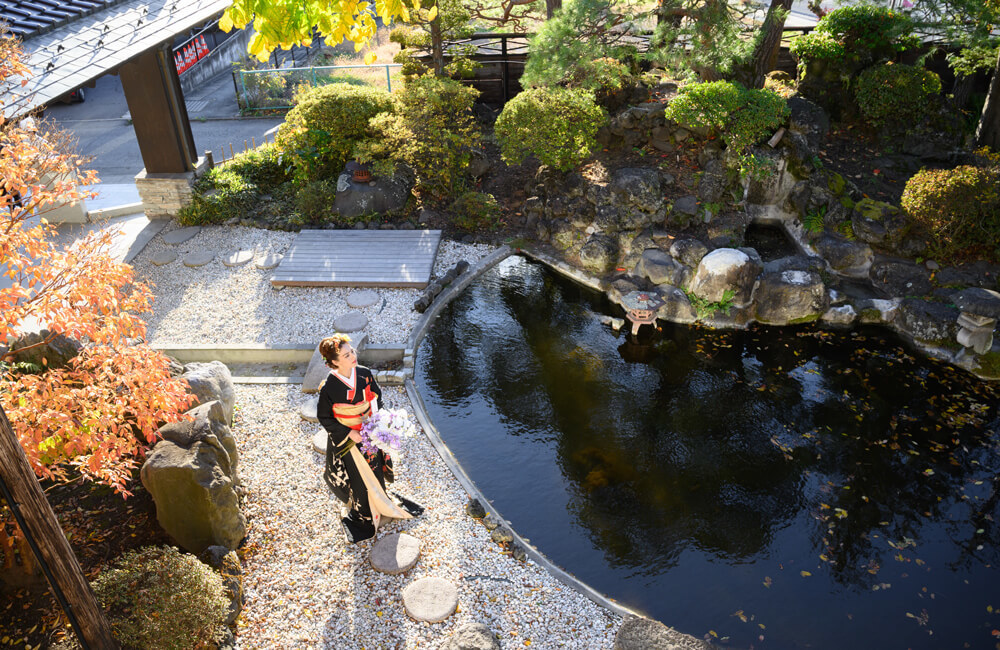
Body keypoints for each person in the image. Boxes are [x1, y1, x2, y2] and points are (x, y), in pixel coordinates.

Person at [316, 334, 422, 543]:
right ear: (335, 362)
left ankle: (382, 501)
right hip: (348, 438)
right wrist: (348, 433)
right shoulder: (329, 387)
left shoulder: (363, 374)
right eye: (346, 355)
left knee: (375, 467)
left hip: (369, 431)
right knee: (358, 476)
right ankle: (365, 513)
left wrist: (377, 422)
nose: (353, 356)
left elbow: (376, 396)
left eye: (352, 352)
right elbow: (324, 416)